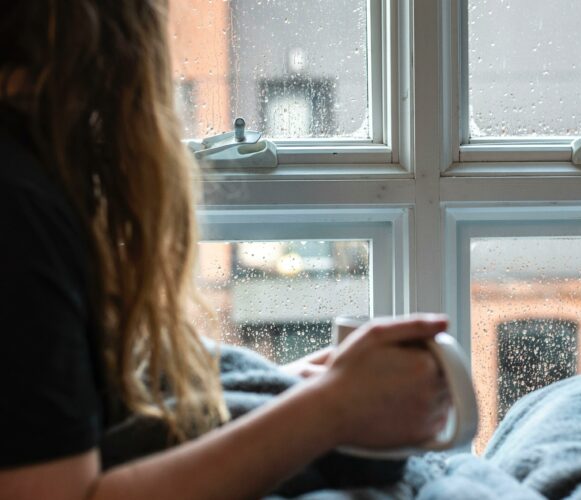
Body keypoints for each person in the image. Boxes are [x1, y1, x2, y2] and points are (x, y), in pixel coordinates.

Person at [0, 1, 450, 498]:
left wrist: (286, 391)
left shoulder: (35, 175)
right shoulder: (19, 210)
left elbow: (63, 422)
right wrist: (329, 408)